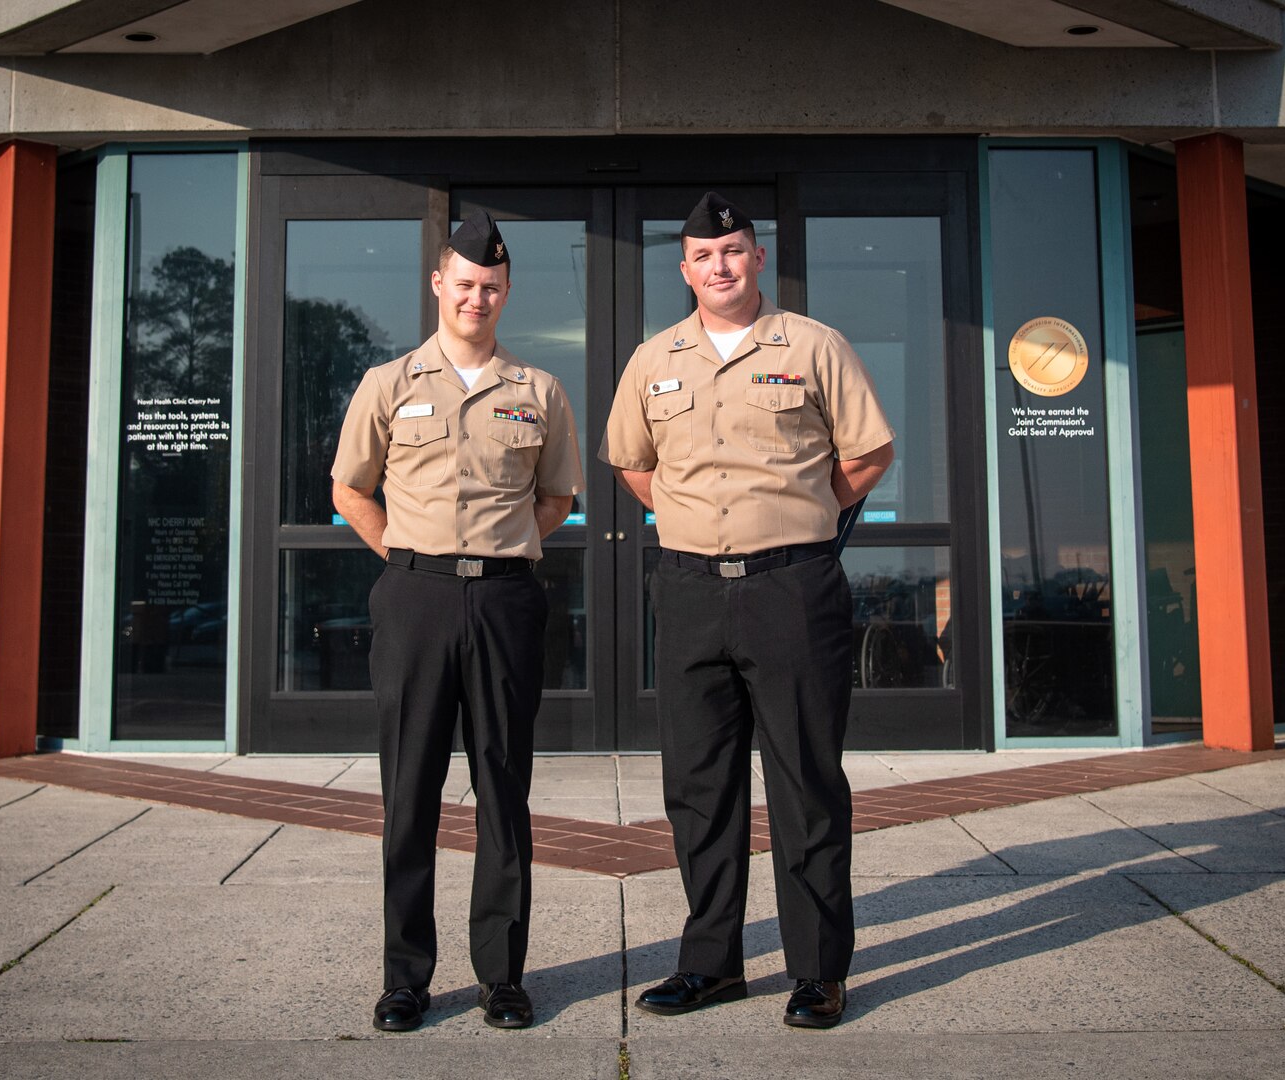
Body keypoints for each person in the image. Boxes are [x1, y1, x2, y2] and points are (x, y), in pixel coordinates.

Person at [600, 192, 894, 1029]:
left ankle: (817, 971)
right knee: (698, 786)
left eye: (733, 250)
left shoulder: (812, 346)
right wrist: (694, 524)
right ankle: (711, 963)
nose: (719, 266)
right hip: (690, 590)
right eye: (703, 255)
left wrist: (802, 511)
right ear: (684, 268)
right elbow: (634, 464)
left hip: (791, 589)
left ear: (757, 258)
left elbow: (868, 452)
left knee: (805, 782)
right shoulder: (652, 360)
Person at [332, 210, 584, 1032]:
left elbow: (556, 500)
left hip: (507, 600)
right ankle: (406, 977)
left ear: (507, 294)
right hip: (415, 597)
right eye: (465, 283)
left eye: (492, 287)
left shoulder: (538, 391)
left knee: (503, 788)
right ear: (439, 284)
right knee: (409, 792)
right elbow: (349, 490)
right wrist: (408, 558)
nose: (478, 296)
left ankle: (501, 976)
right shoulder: (387, 384)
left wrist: (501, 552)